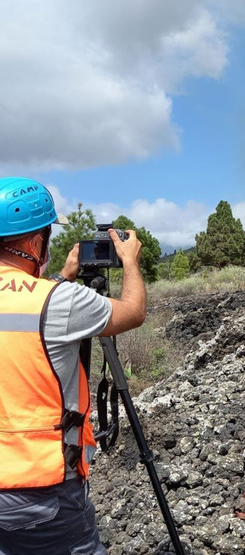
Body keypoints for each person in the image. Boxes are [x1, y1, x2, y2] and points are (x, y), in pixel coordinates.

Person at [0, 177, 146, 555]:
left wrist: (63, 276)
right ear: (36, 243)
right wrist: (129, 263)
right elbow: (132, 313)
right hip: (39, 485)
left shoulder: (53, 296)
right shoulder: (59, 302)